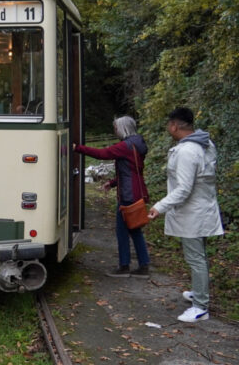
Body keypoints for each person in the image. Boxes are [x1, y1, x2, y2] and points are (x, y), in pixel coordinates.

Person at [147, 107, 223, 323]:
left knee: (196, 259)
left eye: (169, 125)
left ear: (175, 126)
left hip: (193, 213)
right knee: (200, 256)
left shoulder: (187, 151)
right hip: (203, 208)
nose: (168, 129)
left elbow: (183, 189)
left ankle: (200, 306)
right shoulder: (205, 144)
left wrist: (159, 207)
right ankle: (199, 292)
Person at [74, 116, 151, 277]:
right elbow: (130, 171)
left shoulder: (125, 146)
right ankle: (143, 266)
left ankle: (124, 266)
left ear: (123, 128)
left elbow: (102, 153)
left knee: (122, 231)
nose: (114, 131)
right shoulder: (138, 143)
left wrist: (77, 148)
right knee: (135, 229)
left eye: (116, 128)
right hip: (137, 190)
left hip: (128, 195)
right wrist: (113, 183)